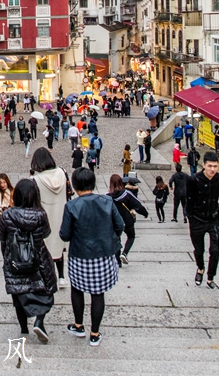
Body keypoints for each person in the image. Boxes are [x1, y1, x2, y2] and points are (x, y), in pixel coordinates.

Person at [60, 167, 124, 347]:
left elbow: (64, 235)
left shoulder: (71, 206)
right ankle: (94, 333)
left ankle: (79, 325)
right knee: (98, 294)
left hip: (80, 255)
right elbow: (120, 225)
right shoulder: (107, 201)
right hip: (103, 254)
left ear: (75, 185)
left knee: (77, 290)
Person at [0, 178, 57, 343]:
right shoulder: (40, 215)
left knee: (18, 293)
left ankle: (24, 329)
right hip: (37, 258)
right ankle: (39, 320)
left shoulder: (8, 214)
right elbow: (46, 233)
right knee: (45, 290)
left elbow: (0, 236)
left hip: (15, 260)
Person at [187, 151, 219, 289]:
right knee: (199, 250)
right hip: (197, 219)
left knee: (215, 251)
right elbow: (189, 199)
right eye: (210, 166)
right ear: (204, 165)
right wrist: (190, 217)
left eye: (215, 166)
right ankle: (200, 268)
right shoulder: (194, 180)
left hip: (214, 218)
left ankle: (210, 278)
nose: (213, 169)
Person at [31, 148, 70, 290]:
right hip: (60, 214)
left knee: (44, 247)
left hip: (43, 218)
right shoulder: (62, 173)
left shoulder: (35, 180)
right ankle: (61, 277)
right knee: (58, 245)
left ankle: (46, 277)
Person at [109, 173, 147, 265]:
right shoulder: (126, 194)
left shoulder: (107, 196)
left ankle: (117, 260)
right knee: (131, 236)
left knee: (117, 239)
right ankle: (125, 253)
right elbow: (138, 205)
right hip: (127, 220)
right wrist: (145, 213)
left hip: (114, 222)